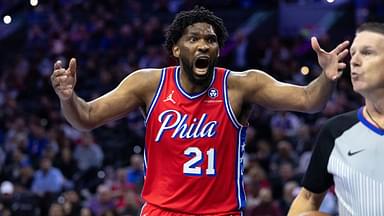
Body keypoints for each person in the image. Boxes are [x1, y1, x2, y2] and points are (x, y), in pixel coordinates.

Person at [51, 6, 349, 216]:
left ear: (218, 49)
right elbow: (86, 118)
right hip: (161, 211)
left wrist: (326, 78)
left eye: (210, 40)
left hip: (221, 213)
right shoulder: (148, 84)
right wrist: (68, 97)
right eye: (193, 39)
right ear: (177, 49)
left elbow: (310, 101)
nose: (203, 45)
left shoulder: (241, 86)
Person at [288, 22, 384, 216]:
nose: (354, 61)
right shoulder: (336, 130)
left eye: (367, 52)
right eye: (353, 54)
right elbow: (307, 198)